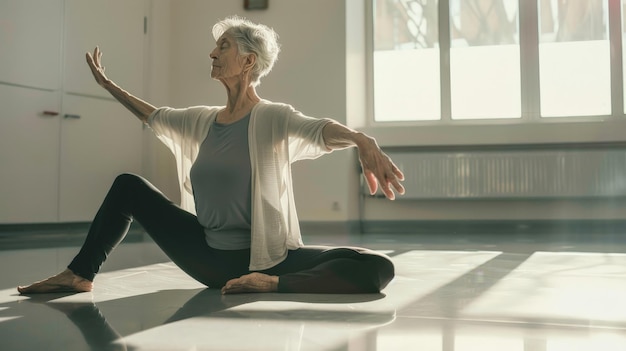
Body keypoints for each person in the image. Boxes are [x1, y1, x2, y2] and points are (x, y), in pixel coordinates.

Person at [18, 16, 405, 295]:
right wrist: (107, 84)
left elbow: (319, 129)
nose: (212, 52)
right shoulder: (202, 121)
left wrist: (361, 140)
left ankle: (270, 285)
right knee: (128, 186)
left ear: (249, 62)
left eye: (224, 46)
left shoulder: (271, 117)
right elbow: (152, 115)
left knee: (375, 266)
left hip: (264, 260)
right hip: (206, 254)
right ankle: (79, 274)